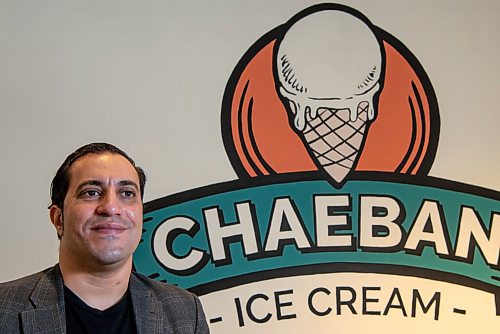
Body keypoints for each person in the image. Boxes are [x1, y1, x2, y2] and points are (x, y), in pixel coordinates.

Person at [0, 143, 210, 333]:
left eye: (127, 193)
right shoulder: (4, 308)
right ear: (58, 219)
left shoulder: (185, 312)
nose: (111, 207)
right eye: (91, 192)